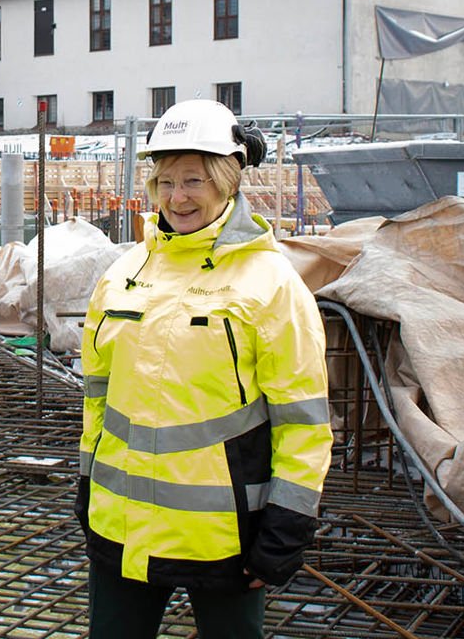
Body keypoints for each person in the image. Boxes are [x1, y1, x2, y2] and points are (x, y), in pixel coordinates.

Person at [77, 99, 331, 639]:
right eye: (166, 181)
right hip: (120, 526)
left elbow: (303, 422)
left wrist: (287, 524)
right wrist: (86, 481)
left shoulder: (271, 284)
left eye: (194, 179)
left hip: (224, 538)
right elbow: (98, 395)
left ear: (227, 182)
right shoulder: (124, 274)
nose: (178, 196)